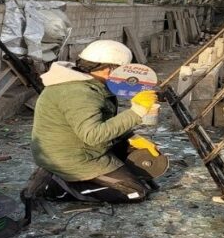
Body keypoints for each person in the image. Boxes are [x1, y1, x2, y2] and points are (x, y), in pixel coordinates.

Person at [30, 40, 158, 203]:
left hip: (80, 148)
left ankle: (66, 176)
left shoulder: (87, 82)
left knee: (141, 174)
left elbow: (102, 120)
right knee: (135, 192)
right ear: (109, 69)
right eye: (122, 70)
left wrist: (131, 137)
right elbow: (93, 135)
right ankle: (53, 186)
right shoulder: (79, 92)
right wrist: (137, 112)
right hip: (71, 158)